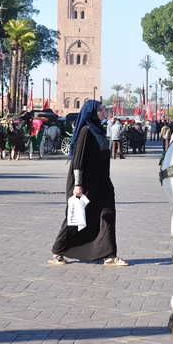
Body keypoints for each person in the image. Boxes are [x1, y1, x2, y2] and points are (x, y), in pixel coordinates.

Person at [49, 100, 130, 266]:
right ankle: (58, 250)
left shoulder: (99, 131)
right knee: (77, 218)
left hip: (102, 183)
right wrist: (78, 185)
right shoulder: (86, 132)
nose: (103, 112)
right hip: (85, 184)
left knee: (107, 214)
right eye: (100, 110)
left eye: (103, 109)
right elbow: (78, 161)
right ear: (92, 113)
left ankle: (109, 255)